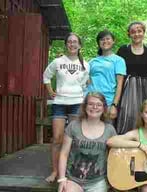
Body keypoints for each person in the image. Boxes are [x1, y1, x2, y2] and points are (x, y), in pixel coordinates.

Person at [43, 32, 90, 183]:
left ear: (79, 45)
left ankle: (72, 170)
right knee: (57, 138)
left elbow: (84, 83)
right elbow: (46, 76)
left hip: (77, 103)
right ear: (66, 44)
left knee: (75, 139)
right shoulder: (57, 62)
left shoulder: (85, 65)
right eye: (69, 42)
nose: (72, 44)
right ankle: (55, 171)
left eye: (75, 42)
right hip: (59, 104)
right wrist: (50, 91)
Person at [57, 92, 117, 192]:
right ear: (85, 106)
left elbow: (115, 156)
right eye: (90, 104)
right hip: (73, 180)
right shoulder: (73, 126)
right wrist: (62, 179)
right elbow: (64, 154)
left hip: (97, 181)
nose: (94, 107)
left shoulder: (110, 130)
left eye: (99, 105)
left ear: (104, 108)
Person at [116, 21, 147, 134]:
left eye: (139, 31)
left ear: (143, 32)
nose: (136, 34)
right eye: (133, 32)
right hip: (128, 88)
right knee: (128, 114)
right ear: (129, 34)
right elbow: (117, 70)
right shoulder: (123, 49)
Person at [86, 29, 126, 121]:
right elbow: (86, 80)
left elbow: (120, 85)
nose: (105, 41)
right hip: (91, 101)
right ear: (98, 43)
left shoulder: (118, 60)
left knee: (107, 132)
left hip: (107, 102)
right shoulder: (92, 61)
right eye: (102, 39)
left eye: (108, 39)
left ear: (113, 41)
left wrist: (114, 105)